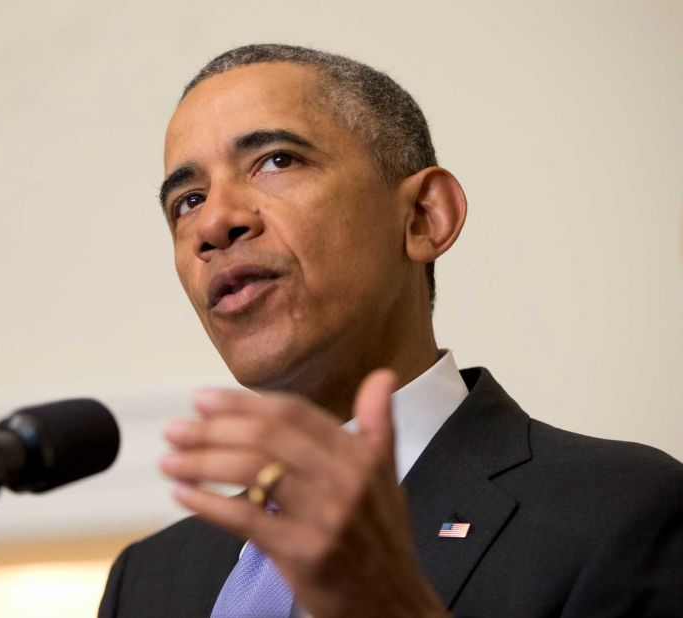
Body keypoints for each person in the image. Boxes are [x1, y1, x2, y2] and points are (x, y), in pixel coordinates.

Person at [98, 44, 682, 617]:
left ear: (426, 217)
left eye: (277, 160)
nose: (214, 223)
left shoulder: (623, 510)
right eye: (187, 200)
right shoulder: (148, 581)